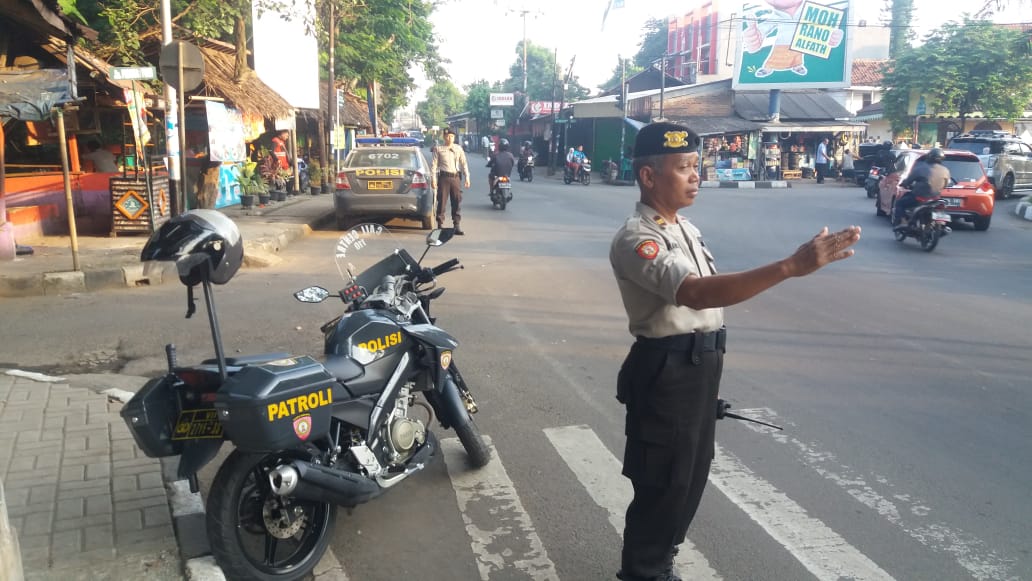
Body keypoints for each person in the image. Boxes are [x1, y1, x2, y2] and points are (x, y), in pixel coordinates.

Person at [609, 121, 861, 581]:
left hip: (698, 368)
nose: (695, 176)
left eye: (695, 165)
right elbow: (697, 294)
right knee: (663, 484)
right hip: (667, 370)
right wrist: (789, 266)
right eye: (683, 168)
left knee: (688, 479)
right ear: (648, 177)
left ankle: (659, 563)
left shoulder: (685, 227)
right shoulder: (637, 238)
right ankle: (645, 572)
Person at [893, 147, 951, 229]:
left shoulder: (921, 168)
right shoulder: (946, 170)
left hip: (919, 197)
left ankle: (903, 221)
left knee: (899, 203)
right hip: (935, 198)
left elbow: (909, 180)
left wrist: (904, 184)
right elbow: (945, 185)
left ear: (929, 157)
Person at [430, 128, 471, 235]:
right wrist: (433, 179)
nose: (450, 138)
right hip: (443, 178)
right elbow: (434, 166)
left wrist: (467, 177)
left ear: (454, 137)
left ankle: (456, 225)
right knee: (442, 202)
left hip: (455, 178)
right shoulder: (438, 149)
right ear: (444, 137)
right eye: (447, 136)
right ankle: (439, 226)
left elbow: (464, 163)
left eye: (452, 136)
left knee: (457, 201)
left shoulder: (458, 148)